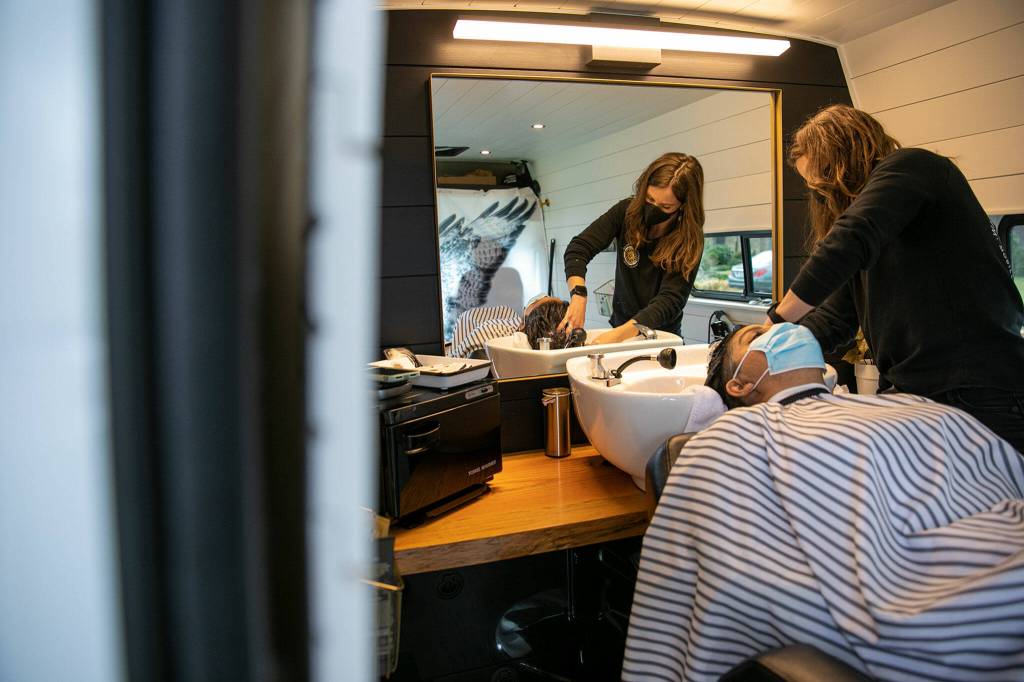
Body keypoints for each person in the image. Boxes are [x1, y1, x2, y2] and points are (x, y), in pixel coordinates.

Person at [623, 323, 1024, 681]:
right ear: (739, 386)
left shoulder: (906, 403)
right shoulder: (732, 437)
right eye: (757, 335)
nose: (778, 331)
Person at [764, 104, 1024, 452]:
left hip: (976, 386)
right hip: (911, 389)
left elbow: (849, 238)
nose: (825, 195)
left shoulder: (917, 168)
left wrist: (778, 320)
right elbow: (836, 318)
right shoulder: (869, 235)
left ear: (845, 158)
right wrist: (774, 349)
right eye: (817, 190)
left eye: (825, 180)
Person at [557, 153, 705, 345]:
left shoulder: (689, 239)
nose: (653, 208)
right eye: (650, 199)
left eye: (665, 206)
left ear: (683, 206)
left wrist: (619, 335)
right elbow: (579, 248)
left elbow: (669, 301)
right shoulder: (626, 212)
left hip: (660, 338)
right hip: (619, 326)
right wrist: (578, 295)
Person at [448, 296, 585, 358]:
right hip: (511, 319)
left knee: (468, 316)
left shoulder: (491, 330)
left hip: (473, 321)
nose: (543, 295)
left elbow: (454, 359)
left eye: (539, 300)